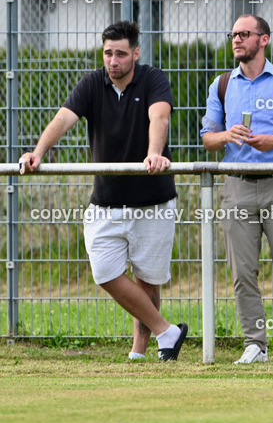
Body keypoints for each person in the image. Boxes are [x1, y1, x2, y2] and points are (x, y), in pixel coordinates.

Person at [19, 21, 186, 361]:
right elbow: (63, 119)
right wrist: (38, 152)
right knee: (105, 272)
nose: (113, 61)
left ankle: (143, 349)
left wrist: (155, 152)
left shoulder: (153, 79)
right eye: (108, 53)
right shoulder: (93, 82)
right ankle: (167, 331)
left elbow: (160, 117)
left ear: (135, 54)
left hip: (153, 199)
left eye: (121, 54)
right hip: (106, 200)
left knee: (147, 278)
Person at [200, 15, 273, 364]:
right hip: (236, 186)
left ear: (263, 39)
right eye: (233, 34)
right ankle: (255, 344)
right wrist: (226, 136)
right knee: (242, 272)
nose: (236, 40)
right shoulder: (222, 85)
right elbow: (208, 138)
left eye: (244, 34)